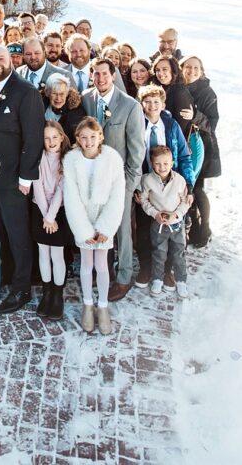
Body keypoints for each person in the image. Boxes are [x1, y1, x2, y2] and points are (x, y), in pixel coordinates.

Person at [0, 45, 45, 313]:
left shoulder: (25, 91)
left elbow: (33, 137)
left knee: (18, 233)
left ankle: (21, 288)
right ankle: (5, 275)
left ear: (11, 61)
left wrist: (26, 178)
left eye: (1, 58)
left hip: (13, 178)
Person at [81, 59, 145, 301]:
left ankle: (124, 276)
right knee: (98, 226)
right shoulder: (86, 99)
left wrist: (129, 184)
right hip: (92, 178)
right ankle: (102, 270)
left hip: (120, 182)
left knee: (122, 231)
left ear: (113, 74)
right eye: (96, 74)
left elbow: (137, 151)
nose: (100, 79)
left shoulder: (130, 106)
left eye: (104, 74)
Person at [63, 117, 125, 335]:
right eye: (83, 137)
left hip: (103, 221)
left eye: (93, 136)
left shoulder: (112, 159)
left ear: (100, 136)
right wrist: (84, 230)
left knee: (102, 265)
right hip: (84, 221)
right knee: (87, 264)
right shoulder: (71, 160)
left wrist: (105, 228)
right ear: (77, 139)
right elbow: (71, 196)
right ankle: (88, 304)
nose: (88, 141)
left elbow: (117, 195)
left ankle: (103, 306)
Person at [134, 84, 195, 289]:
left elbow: (185, 156)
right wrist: (135, 187)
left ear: (163, 104)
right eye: (147, 101)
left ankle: (166, 271)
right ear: (142, 104)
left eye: (156, 102)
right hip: (145, 185)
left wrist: (189, 186)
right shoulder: (136, 124)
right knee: (144, 229)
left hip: (169, 186)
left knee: (170, 229)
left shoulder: (171, 125)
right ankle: (146, 267)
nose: (152, 106)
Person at [32, 122, 73, 320]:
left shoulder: (67, 159)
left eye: (55, 137)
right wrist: (45, 215)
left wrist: (51, 217)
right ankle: (46, 293)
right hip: (39, 209)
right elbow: (37, 188)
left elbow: (61, 190)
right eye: (47, 138)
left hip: (59, 212)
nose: (51, 142)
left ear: (62, 137)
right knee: (43, 252)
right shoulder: (38, 158)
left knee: (57, 254)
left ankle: (57, 295)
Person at [180, 55, 221, 247]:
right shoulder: (178, 87)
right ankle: (192, 226)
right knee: (186, 188)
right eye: (188, 67)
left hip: (201, 145)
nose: (192, 71)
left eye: (196, 68)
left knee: (197, 188)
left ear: (202, 71)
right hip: (182, 143)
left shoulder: (207, 92)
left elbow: (212, 123)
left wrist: (195, 116)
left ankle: (204, 228)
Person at [140, 146, 190, 298]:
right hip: (158, 224)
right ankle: (157, 279)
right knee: (159, 253)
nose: (162, 167)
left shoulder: (180, 180)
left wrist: (177, 214)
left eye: (166, 163)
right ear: (152, 163)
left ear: (172, 163)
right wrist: (154, 214)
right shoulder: (147, 180)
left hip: (176, 223)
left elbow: (185, 202)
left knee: (178, 253)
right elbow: (144, 200)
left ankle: (181, 281)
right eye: (158, 164)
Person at [152, 55, 194, 134]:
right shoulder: (159, 89)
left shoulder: (180, 92)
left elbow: (180, 127)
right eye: (157, 70)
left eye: (164, 69)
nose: (160, 73)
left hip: (172, 142)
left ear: (173, 70)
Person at [43, 73, 86, 142]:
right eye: (54, 93)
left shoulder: (77, 113)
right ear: (47, 93)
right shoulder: (40, 106)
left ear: (67, 93)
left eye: (62, 94)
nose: (58, 98)